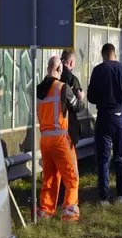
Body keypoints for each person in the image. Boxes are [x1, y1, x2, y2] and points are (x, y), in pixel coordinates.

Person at [36, 56, 87, 221]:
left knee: (50, 177)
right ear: (59, 70)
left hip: (44, 139)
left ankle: (45, 211)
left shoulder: (39, 90)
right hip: (60, 139)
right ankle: (70, 213)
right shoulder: (63, 88)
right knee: (72, 176)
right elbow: (78, 107)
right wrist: (80, 97)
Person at [87, 43, 122, 205]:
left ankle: (104, 196)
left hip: (104, 117)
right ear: (114, 54)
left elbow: (91, 97)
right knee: (120, 157)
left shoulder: (98, 70)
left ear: (103, 55)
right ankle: (121, 195)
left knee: (103, 158)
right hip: (121, 118)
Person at [56, 49, 84, 206]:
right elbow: (76, 107)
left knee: (57, 169)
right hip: (68, 129)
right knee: (70, 170)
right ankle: (70, 204)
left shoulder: (53, 78)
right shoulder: (72, 80)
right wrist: (81, 99)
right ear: (71, 62)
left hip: (52, 129)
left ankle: (56, 202)